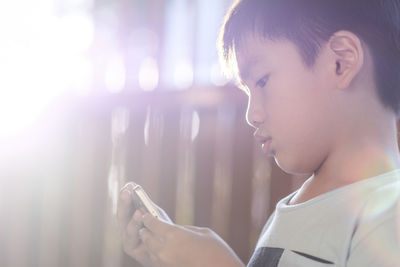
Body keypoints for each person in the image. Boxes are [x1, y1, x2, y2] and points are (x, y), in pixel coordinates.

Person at [117, 0, 400, 266]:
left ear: (341, 62)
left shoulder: (390, 215)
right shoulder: (294, 209)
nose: (252, 115)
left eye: (262, 80)